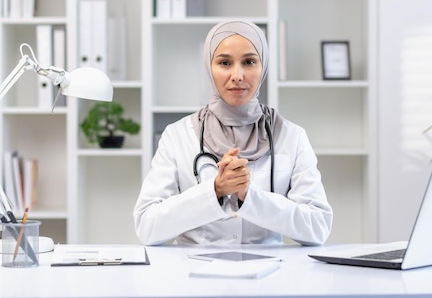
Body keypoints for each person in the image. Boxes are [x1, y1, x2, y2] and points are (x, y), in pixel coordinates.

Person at [133, 20, 333, 246]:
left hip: (270, 276)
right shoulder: (177, 136)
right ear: (209, 68)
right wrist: (215, 190)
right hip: (194, 275)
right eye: (225, 62)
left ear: (263, 66)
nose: (237, 75)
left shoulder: (291, 137)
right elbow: (147, 226)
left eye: (249, 62)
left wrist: (250, 196)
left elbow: (318, 228)